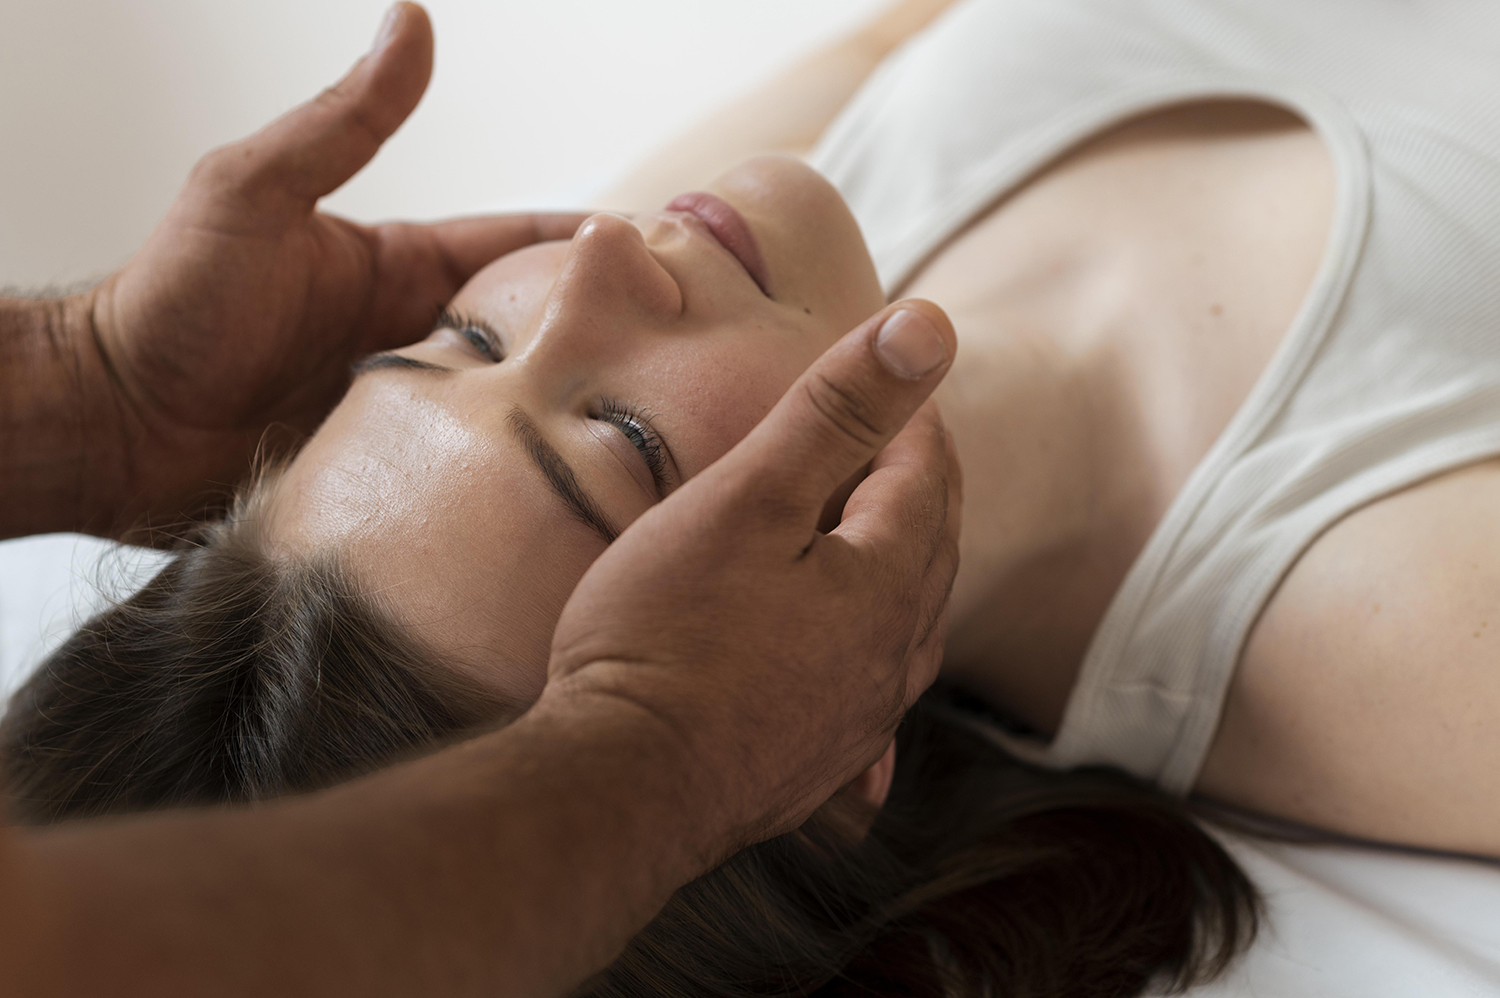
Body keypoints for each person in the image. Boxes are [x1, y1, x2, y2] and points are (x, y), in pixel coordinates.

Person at [0, 5, 968, 996]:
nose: (597, 243)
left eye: (464, 338)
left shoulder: (720, 244)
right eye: (630, 440)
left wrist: (88, 380)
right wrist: (661, 754)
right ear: (827, 734)